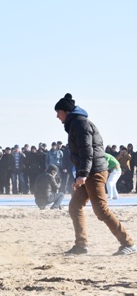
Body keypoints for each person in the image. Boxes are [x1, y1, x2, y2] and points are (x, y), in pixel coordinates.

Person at [54, 93, 135, 255]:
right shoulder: (75, 123)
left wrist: (82, 174)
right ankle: (81, 245)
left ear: (67, 112)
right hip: (88, 172)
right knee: (75, 206)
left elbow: (86, 151)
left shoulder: (79, 124)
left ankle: (128, 243)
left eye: (59, 112)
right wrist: (80, 175)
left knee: (101, 210)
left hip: (95, 172)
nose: (57, 116)